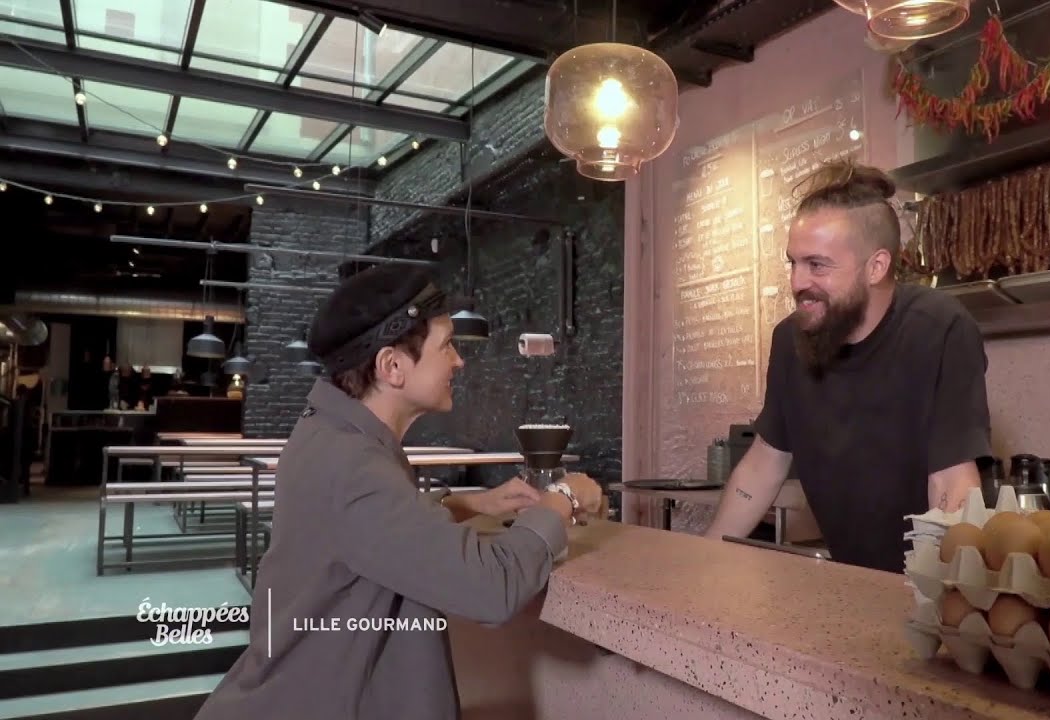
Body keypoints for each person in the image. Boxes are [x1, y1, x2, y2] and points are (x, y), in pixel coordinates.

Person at [195, 264, 603, 720]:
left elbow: (370, 532)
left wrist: (467, 504)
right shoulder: (355, 465)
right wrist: (562, 499)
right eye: (446, 346)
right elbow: (492, 587)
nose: (459, 361)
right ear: (392, 366)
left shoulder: (333, 435)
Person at [703, 160, 992, 573]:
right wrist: (707, 559)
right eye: (793, 263)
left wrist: (944, 602)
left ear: (876, 267)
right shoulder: (791, 338)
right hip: (849, 578)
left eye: (817, 265)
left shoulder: (940, 328)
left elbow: (951, 482)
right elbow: (765, 461)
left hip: (924, 581)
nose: (797, 282)